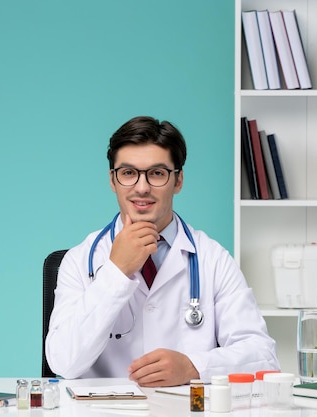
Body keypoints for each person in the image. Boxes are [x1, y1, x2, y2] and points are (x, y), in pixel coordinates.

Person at [45, 116, 279, 387]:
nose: (141, 187)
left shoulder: (212, 259)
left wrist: (194, 367)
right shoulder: (79, 261)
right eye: (128, 173)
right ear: (113, 180)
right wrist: (116, 273)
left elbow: (263, 356)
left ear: (178, 181)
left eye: (157, 173)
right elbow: (63, 362)